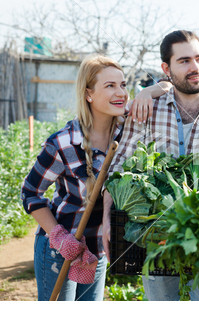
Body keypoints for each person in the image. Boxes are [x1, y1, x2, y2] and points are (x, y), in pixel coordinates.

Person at [102, 30, 199, 301]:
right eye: (184, 61)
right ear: (166, 69)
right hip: (157, 239)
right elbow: (117, 171)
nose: (195, 67)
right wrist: (105, 218)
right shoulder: (146, 111)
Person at [21, 54, 154, 301]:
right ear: (88, 94)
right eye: (110, 86)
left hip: (98, 250)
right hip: (60, 249)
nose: (121, 93)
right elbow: (30, 193)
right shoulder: (63, 143)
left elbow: (168, 88)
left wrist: (150, 91)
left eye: (123, 85)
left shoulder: (127, 134)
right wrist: (59, 237)